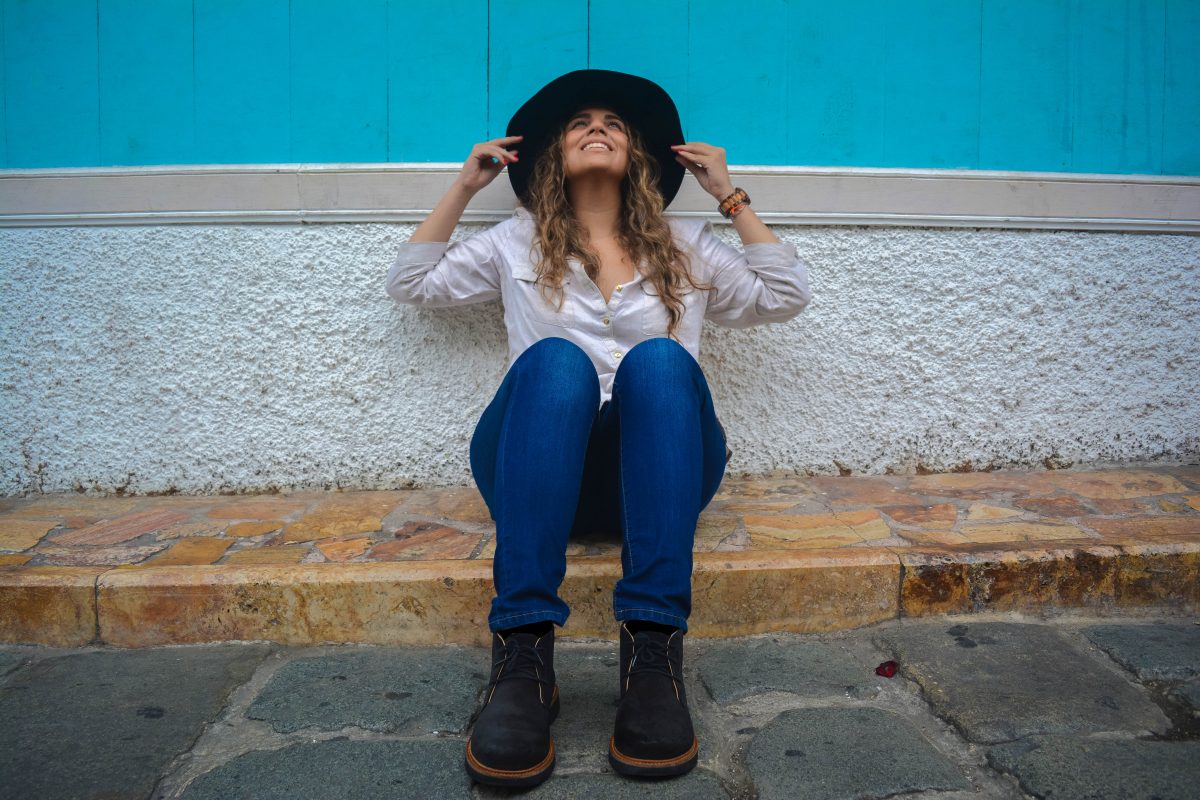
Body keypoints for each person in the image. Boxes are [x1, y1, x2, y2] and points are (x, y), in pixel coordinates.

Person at [386, 70, 811, 787]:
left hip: (658, 480)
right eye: (581, 121)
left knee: (661, 363)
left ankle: (652, 657)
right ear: (553, 152)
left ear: (638, 153)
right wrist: (464, 187)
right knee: (556, 363)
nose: (598, 128)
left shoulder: (688, 244)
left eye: (614, 122)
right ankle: (522, 662)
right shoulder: (514, 241)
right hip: (538, 474)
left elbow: (786, 294)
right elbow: (412, 285)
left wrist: (727, 194)